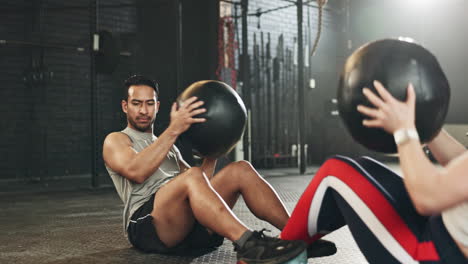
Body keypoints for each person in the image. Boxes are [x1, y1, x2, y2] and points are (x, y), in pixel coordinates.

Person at [102, 75, 335, 263]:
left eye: (149, 103)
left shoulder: (167, 147)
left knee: (240, 169)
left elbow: (200, 187)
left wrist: (212, 155)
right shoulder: (117, 140)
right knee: (191, 176)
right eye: (136, 103)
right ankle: (249, 244)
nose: (143, 110)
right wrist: (173, 130)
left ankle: (299, 236)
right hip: (148, 226)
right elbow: (136, 171)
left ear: (157, 106)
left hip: (186, 227)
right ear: (125, 106)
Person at [280, 81, 468, 263]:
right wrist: (425, 125)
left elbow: (426, 198)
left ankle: (278, 255)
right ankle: (290, 250)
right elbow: (461, 161)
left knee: (335, 173)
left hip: (431, 255)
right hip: (437, 229)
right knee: (362, 167)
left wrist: (404, 130)